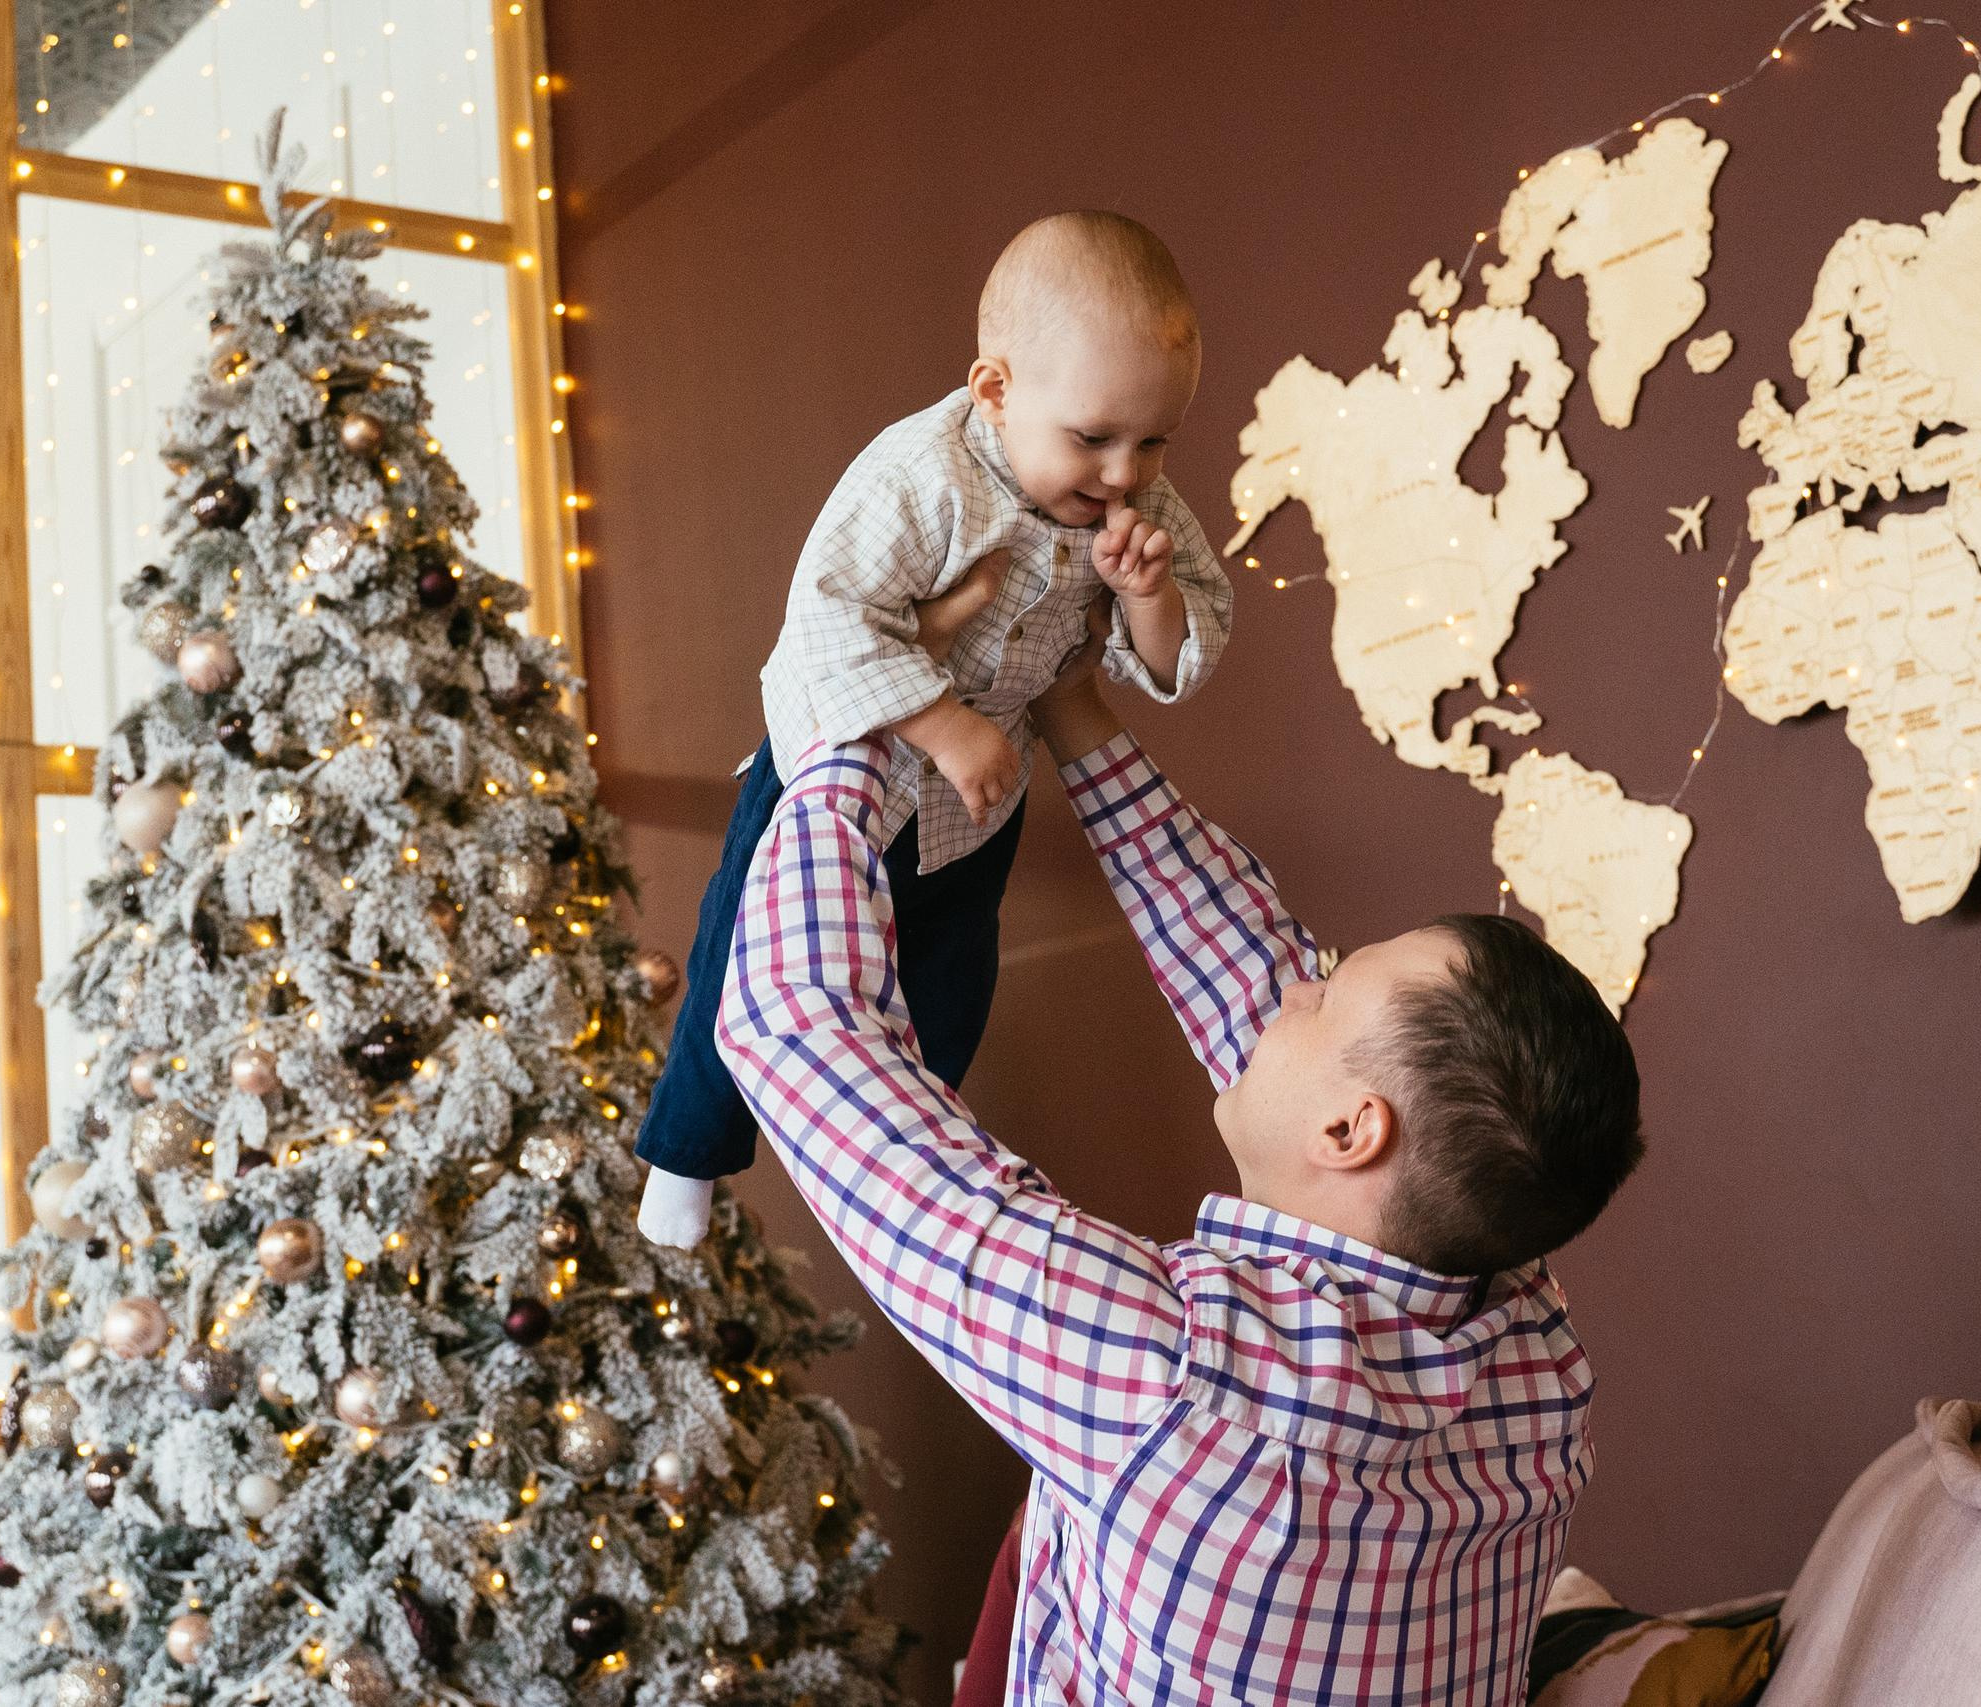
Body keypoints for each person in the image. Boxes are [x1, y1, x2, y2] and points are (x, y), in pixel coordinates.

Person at [713, 644, 1646, 1704]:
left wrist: (858, 712)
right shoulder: (1531, 1354)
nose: (1292, 990)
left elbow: (800, 1035)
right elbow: (1251, 979)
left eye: (1327, 991)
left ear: (1352, 1131)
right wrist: (1074, 710)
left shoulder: (1174, 1380)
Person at [635, 209, 1234, 1247]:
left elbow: (1181, 648)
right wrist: (943, 723)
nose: (1126, 472)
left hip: (973, 801)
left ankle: (908, 1172)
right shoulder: (921, 476)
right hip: (837, 765)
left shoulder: (1139, 503)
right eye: (1094, 438)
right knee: (749, 957)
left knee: (948, 989)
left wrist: (1145, 596)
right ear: (995, 391)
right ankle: (686, 1157)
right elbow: (825, 618)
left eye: (1154, 440)